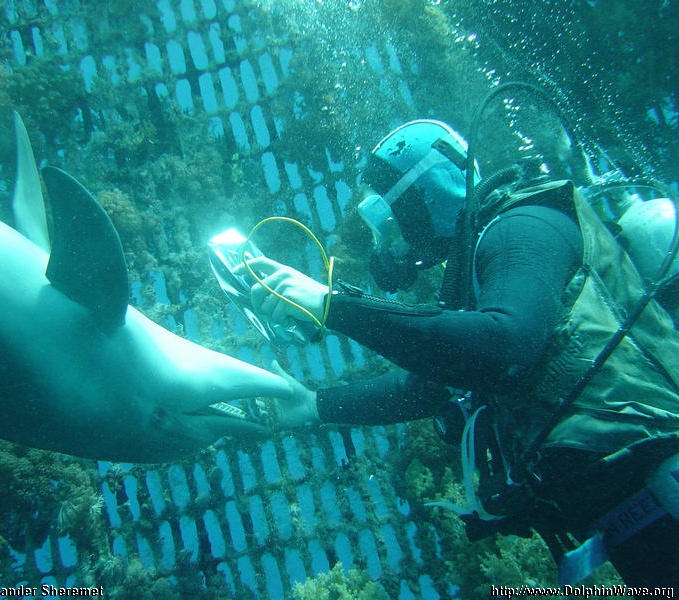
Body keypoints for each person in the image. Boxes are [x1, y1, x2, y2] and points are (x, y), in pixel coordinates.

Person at [248, 119, 679, 587]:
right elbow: (426, 387)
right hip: (637, 512)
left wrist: (334, 307)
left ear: (423, 199)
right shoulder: (484, 267)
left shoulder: (521, 230)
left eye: (383, 216)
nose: (383, 241)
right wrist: (313, 404)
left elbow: (504, 348)